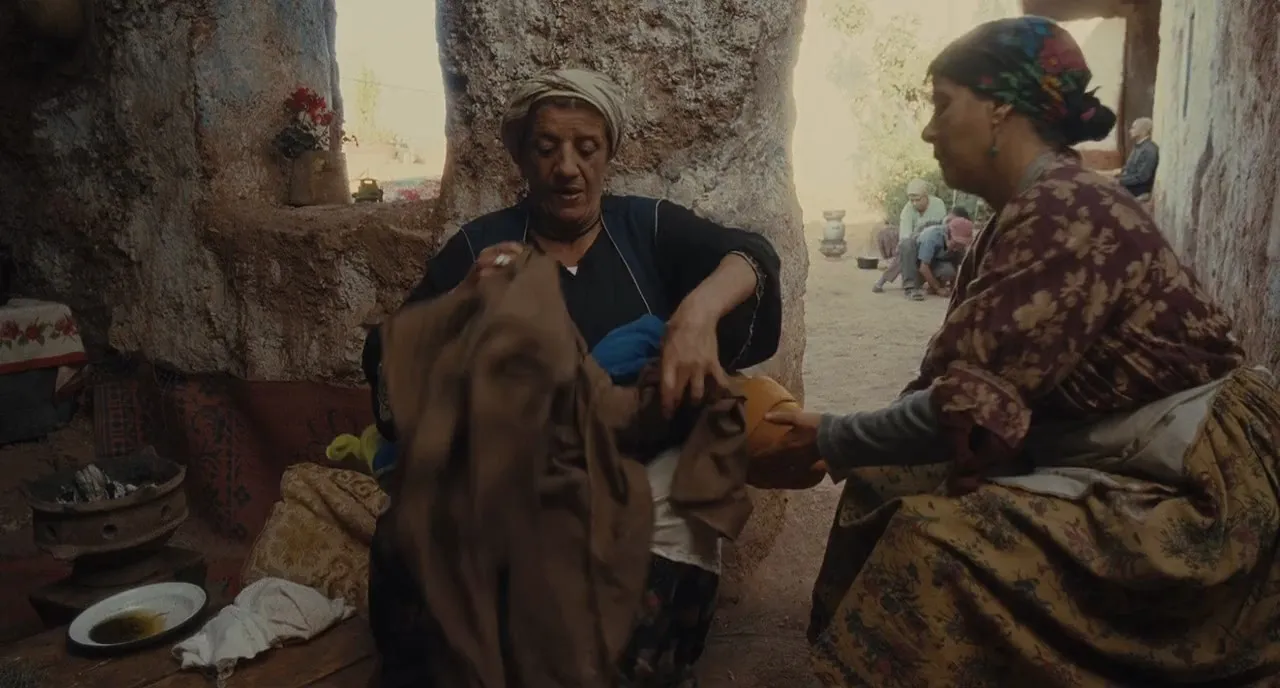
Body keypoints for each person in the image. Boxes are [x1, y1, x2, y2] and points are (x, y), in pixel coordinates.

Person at [767, 17, 1280, 686]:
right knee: (881, 481)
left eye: (942, 104)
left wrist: (830, 437)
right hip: (1118, 446)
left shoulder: (1068, 210)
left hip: (1198, 484)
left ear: (1000, 110)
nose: (928, 130)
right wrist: (856, 447)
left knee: (934, 545)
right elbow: (949, 385)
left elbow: (962, 407)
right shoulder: (1017, 216)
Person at [362, 68, 783, 688]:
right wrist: (460, 304)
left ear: (608, 154)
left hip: (631, 461)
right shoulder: (482, 246)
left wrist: (696, 314)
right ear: (521, 157)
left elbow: (753, 255)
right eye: (546, 148)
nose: (567, 168)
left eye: (587, 148)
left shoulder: (646, 228)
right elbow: (390, 365)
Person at [1116, 116, 1159, 198]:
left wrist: (1119, 181)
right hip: (1128, 186)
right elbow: (1129, 168)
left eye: (1133, 128)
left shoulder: (1150, 149)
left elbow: (1142, 177)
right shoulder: (1139, 146)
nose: (1130, 131)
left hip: (1137, 190)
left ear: (1143, 131)